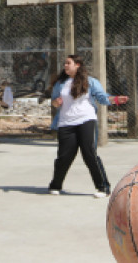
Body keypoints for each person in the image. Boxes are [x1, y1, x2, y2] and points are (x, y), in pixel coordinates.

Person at [47, 54, 128, 198]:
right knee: (64, 157)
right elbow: (53, 101)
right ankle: (55, 185)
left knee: (89, 153)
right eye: (65, 63)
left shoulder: (90, 82)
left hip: (86, 120)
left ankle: (103, 187)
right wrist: (56, 103)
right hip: (66, 123)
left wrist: (115, 99)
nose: (65, 66)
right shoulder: (60, 83)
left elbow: (102, 98)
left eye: (68, 63)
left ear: (77, 65)